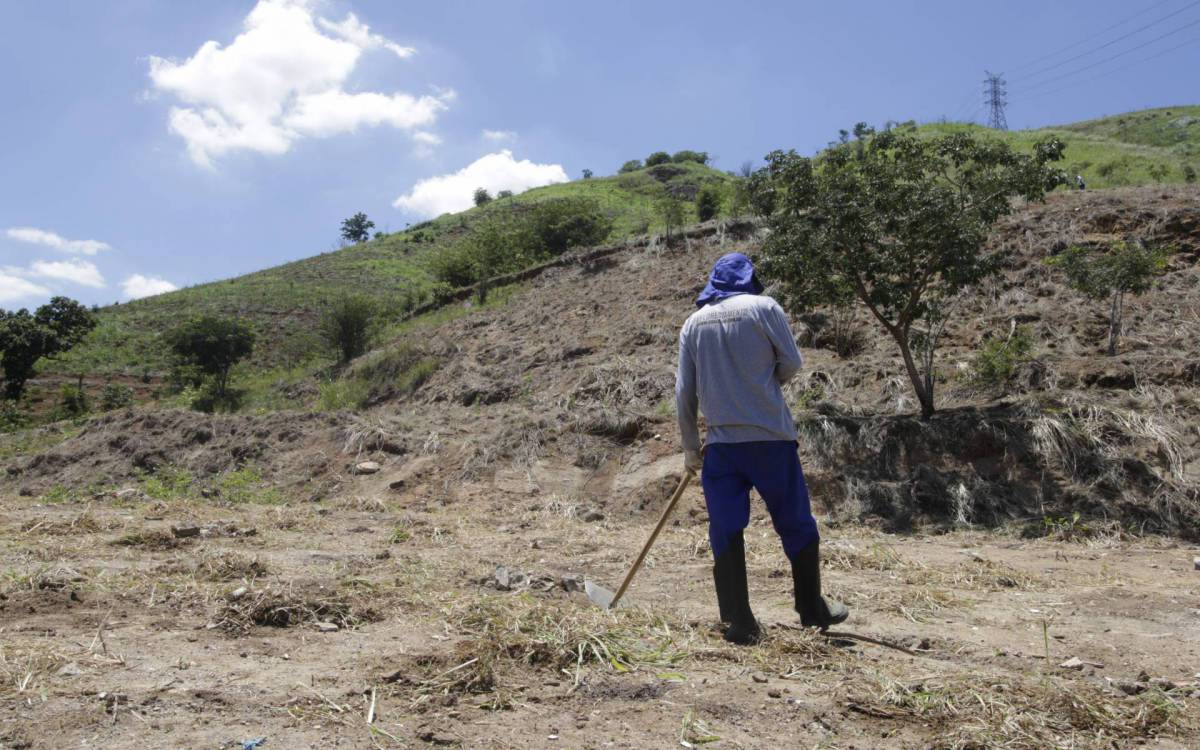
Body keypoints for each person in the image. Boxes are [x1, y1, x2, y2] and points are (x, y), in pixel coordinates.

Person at [675, 253, 848, 645]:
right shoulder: (764, 307)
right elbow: (792, 363)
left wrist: (689, 449)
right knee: (796, 522)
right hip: (770, 438)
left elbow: (684, 392)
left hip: (721, 447)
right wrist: (762, 384)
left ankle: (739, 622)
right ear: (749, 278)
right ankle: (811, 610)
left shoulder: (693, 323)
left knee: (725, 528)